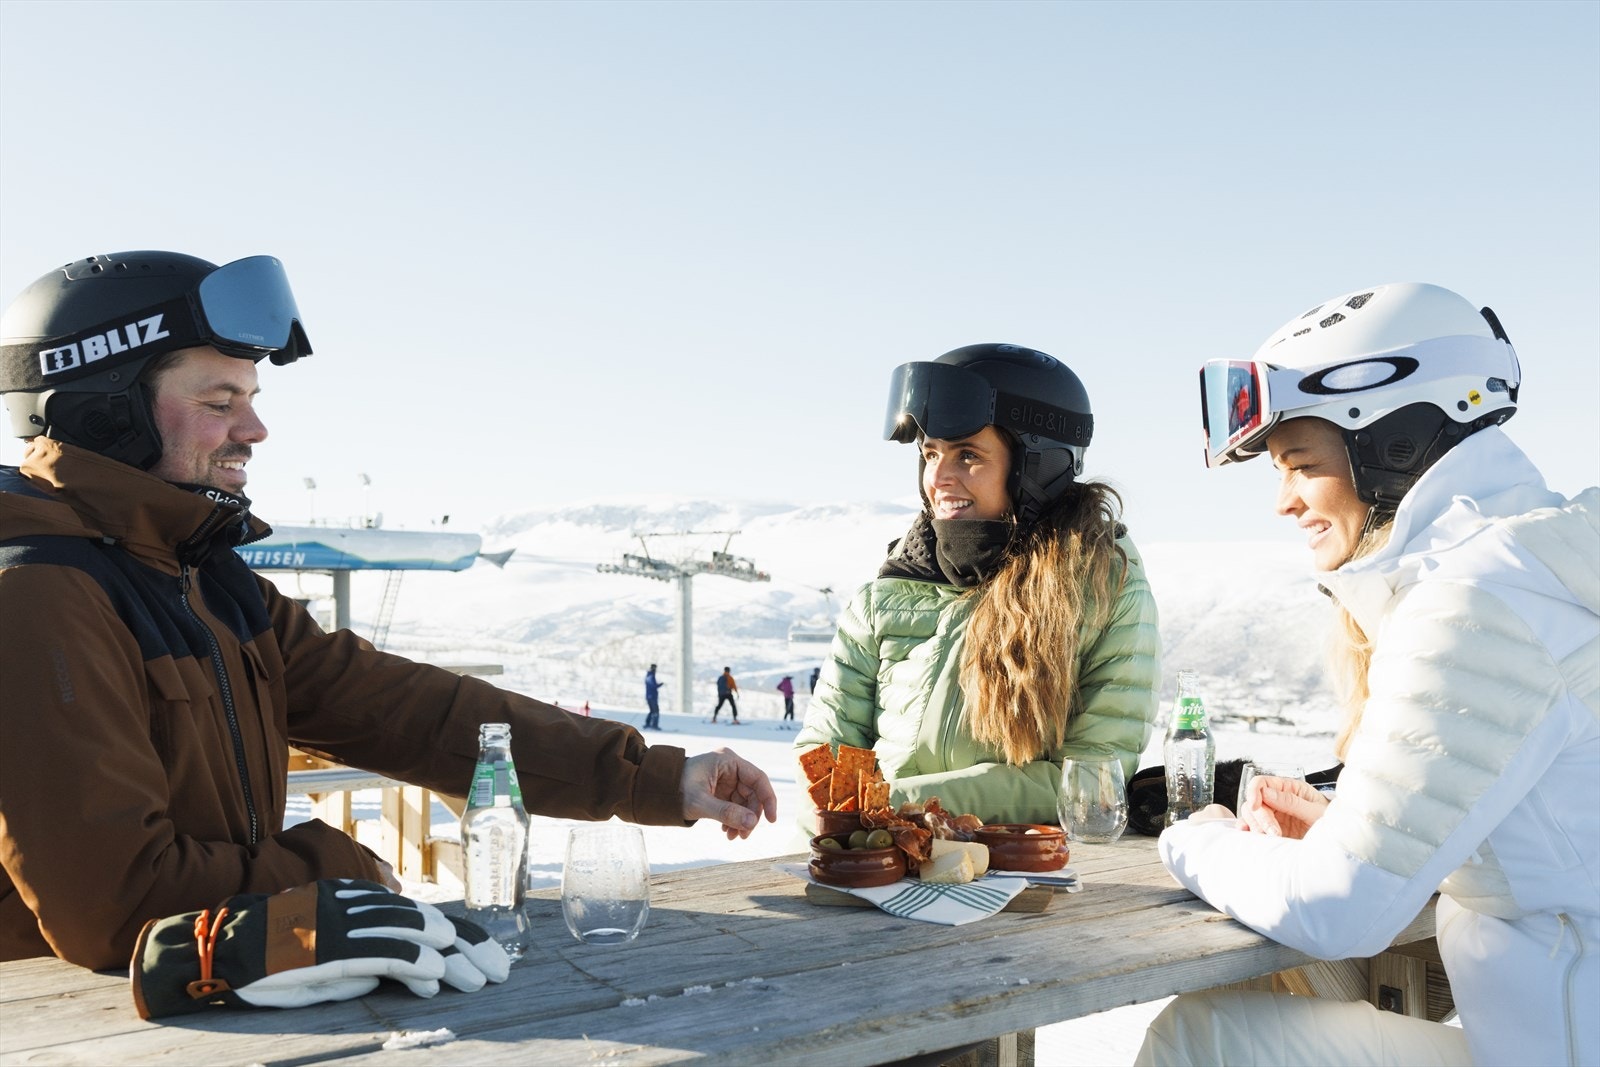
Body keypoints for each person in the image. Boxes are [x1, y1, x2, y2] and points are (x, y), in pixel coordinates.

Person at [0, 251, 779, 972]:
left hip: (212, 991)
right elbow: (118, 900)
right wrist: (344, 873)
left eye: (252, 398)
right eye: (219, 400)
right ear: (107, 417)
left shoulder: (205, 580)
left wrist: (655, 778)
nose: (254, 428)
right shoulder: (40, 593)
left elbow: (407, 711)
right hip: (65, 1024)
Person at [1139, 283, 1598, 1066]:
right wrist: (1353, 831)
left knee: (1205, 1040)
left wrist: (1198, 837)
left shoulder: (1471, 600)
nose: (1284, 501)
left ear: (1393, 443)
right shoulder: (1538, 564)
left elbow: (1339, 909)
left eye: (1300, 464)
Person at [795, 343, 1161, 826]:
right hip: (873, 869)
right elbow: (825, 750)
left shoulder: (1102, 587)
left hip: (1016, 878)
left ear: (1037, 467)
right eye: (930, 453)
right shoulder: (887, 594)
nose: (938, 477)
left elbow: (1091, 781)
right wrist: (855, 833)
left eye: (968, 455)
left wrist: (894, 806)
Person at [643, 663, 661, 730]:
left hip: (650, 696)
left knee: (652, 711)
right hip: (652, 697)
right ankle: (654, 725)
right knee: (656, 711)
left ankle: (648, 724)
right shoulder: (651, 676)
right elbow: (653, 686)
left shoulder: (649, 675)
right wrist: (660, 685)